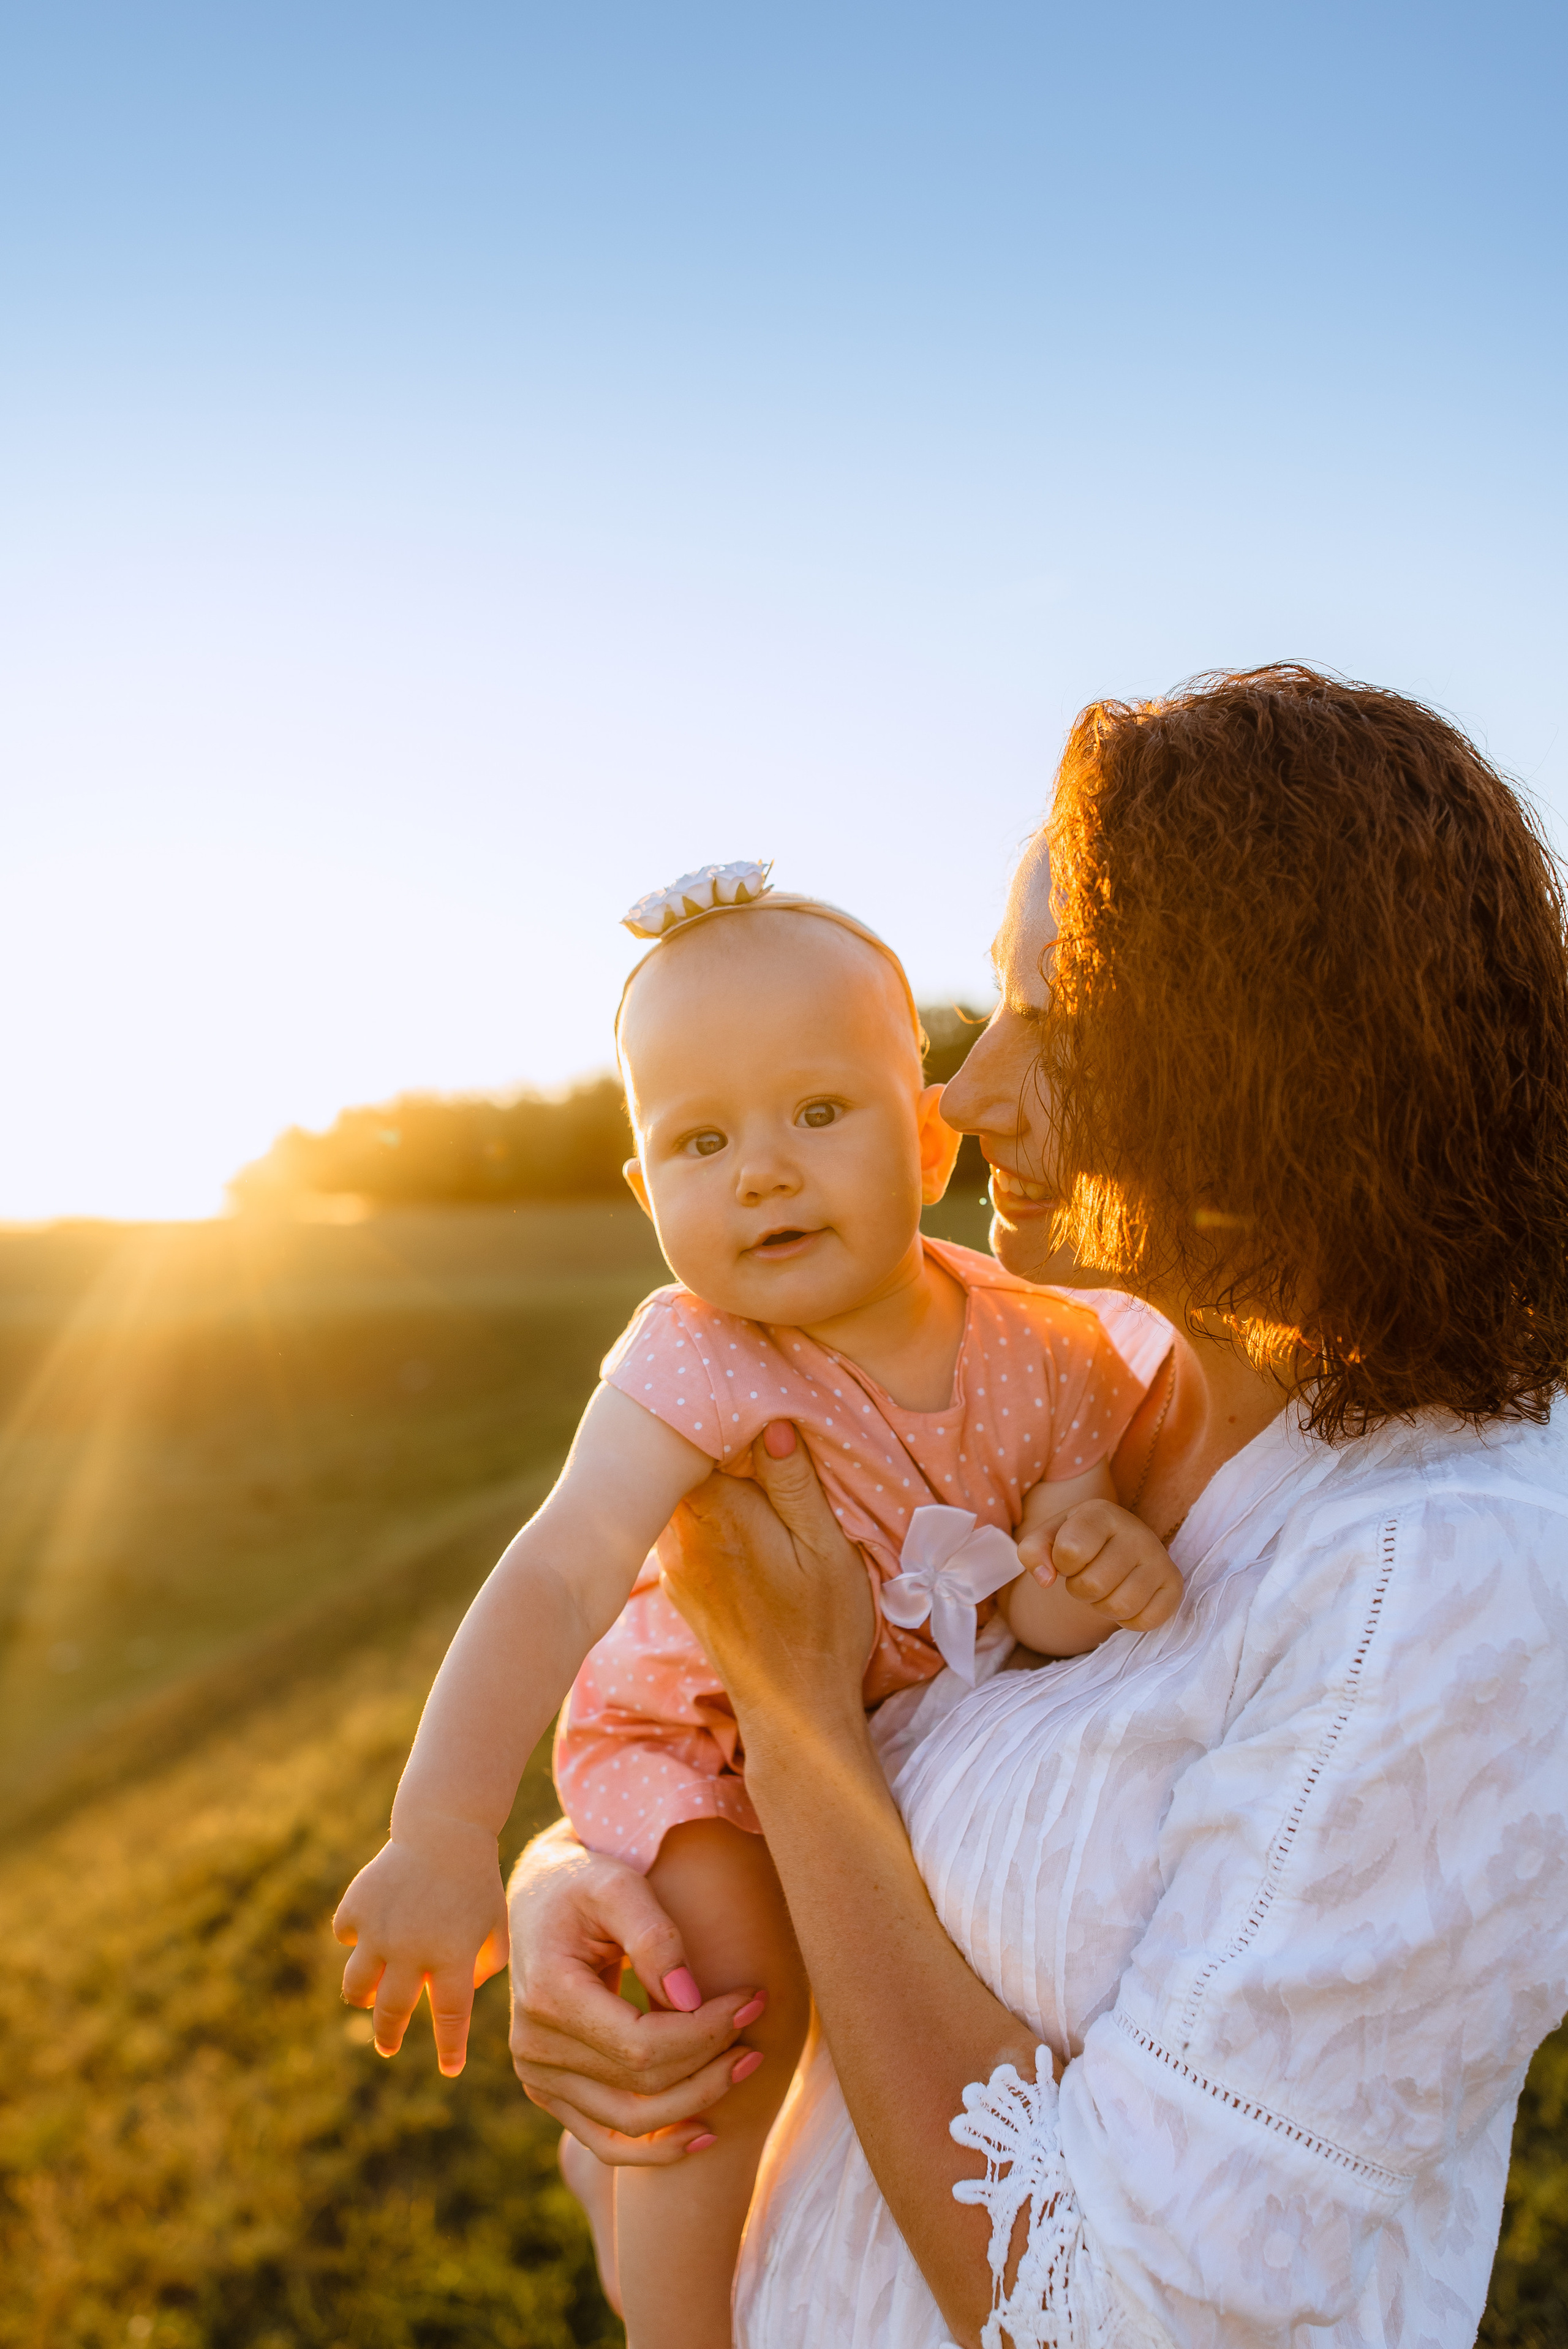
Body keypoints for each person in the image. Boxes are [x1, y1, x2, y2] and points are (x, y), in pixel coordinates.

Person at [507, 665, 1568, 2348]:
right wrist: (584, 1879)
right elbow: (811, 1681)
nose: (970, 1091)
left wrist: (793, 1724)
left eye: (1052, 1022)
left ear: (1272, 1052)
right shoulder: (1075, 1368)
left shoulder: (1451, 1577)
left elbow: (1114, 2318)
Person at [334, 869, 1182, 2349]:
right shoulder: (697, 1360)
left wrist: (1084, 1560)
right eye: (700, 1141)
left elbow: (1035, 1609)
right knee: (716, 2003)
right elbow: (557, 1569)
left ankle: (633, 2216)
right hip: (701, 1733)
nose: (763, 1175)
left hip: (852, 1731)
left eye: (817, 1114)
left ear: (926, 1141)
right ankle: (672, 2321)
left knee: (775, 1986)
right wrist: (447, 1829)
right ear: (645, 1192)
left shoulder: (1046, 1351)